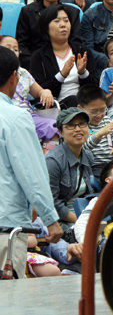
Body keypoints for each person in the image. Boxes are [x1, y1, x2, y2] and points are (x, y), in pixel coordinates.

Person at [0, 46, 62, 279]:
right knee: (8, 301)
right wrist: (51, 218)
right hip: (5, 226)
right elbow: (31, 172)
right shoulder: (15, 117)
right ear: (15, 77)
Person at [30, 4, 98, 108]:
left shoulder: (82, 51)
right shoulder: (39, 57)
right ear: (46, 27)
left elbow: (95, 88)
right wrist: (62, 75)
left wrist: (83, 73)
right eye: (57, 21)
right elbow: (40, 92)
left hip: (85, 105)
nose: (63, 25)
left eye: (66, 21)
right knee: (72, 100)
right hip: (56, 107)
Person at [16, 0, 82, 70]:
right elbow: (22, 45)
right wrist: (35, 65)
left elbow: (76, 42)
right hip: (36, 65)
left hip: (67, 63)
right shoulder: (27, 12)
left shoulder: (72, 12)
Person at [0, 35, 60, 146]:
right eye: (8, 48)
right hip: (7, 117)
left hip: (29, 116)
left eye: (16, 49)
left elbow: (39, 92)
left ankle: (48, 159)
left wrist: (45, 92)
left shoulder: (23, 73)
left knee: (53, 126)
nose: (12, 52)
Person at [46, 108, 94, 230]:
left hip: (84, 214)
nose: (78, 129)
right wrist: (80, 221)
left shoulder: (88, 155)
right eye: (71, 126)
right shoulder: (53, 161)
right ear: (60, 132)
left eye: (82, 124)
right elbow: (52, 203)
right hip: (62, 221)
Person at [77, 85, 113, 178]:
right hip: (95, 166)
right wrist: (99, 134)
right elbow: (84, 148)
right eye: (94, 111)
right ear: (80, 108)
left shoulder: (107, 120)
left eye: (103, 110)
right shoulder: (80, 126)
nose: (99, 115)